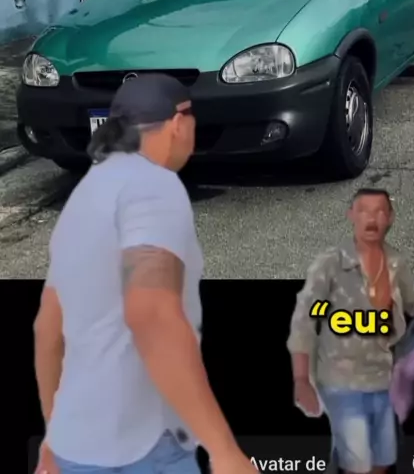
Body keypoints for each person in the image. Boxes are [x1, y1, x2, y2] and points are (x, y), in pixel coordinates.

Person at [34, 73, 255, 474]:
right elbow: (152, 314)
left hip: (77, 446)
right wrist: (223, 450)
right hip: (143, 447)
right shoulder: (153, 185)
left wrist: (54, 438)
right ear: (178, 123)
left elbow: (48, 332)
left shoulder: (86, 195)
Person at [287, 187, 414, 474]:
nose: (372, 219)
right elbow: (306, 322)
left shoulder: (394, 265)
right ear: (351, 215)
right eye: (364, 211)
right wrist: (302, 379)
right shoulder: (331, 267)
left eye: (379, 212)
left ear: (390, 218)